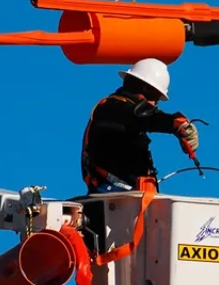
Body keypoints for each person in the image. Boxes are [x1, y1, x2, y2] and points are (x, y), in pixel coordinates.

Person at [81, 58, 199, 194]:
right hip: (110, 199)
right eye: (154, 96)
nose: (154, 103)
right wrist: (174, 123)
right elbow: (141, 116)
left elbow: (144, 117)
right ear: (143, 89)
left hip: (129, 200)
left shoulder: (125, 117)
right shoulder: (111, 109)